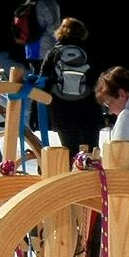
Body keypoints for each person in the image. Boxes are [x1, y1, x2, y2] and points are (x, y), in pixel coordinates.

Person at [37, 17, 103, 157]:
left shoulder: (54, 53)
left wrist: (36, 111)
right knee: (91, 154)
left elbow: (42, 82)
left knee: (70, 151)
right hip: (88, 109)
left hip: (62, 110)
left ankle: (71, 177)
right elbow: (99, 81)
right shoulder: (90, 52)